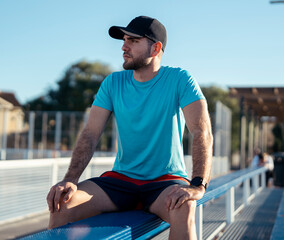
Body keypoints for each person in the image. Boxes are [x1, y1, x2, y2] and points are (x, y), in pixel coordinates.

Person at [46, 16, 213, 240]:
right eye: (124, 40)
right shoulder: (113, 83)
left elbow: (202, 132)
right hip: (121, 180)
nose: (124, 46)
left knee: (185, 206)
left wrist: (198, 185)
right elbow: (90, 134)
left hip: (165, 181)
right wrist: (70, 179)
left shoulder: (180, 79)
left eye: (133, 41)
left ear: (156, 48)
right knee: (61, 203)